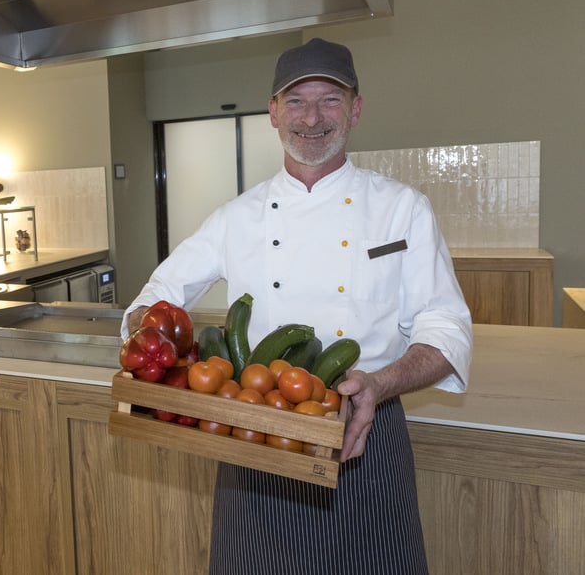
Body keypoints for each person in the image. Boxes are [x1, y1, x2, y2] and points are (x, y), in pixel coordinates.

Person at [121, 37, 472, 574]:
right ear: (273, 113)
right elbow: (155, 297)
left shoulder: (403, 210)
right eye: (296, 101)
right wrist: (157, 349)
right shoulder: (237, 216)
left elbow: (446, 327)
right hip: (257, 430)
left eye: (330, 99)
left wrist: (379, 383)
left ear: (355, 109)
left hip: (364, 434)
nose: (312, 117)